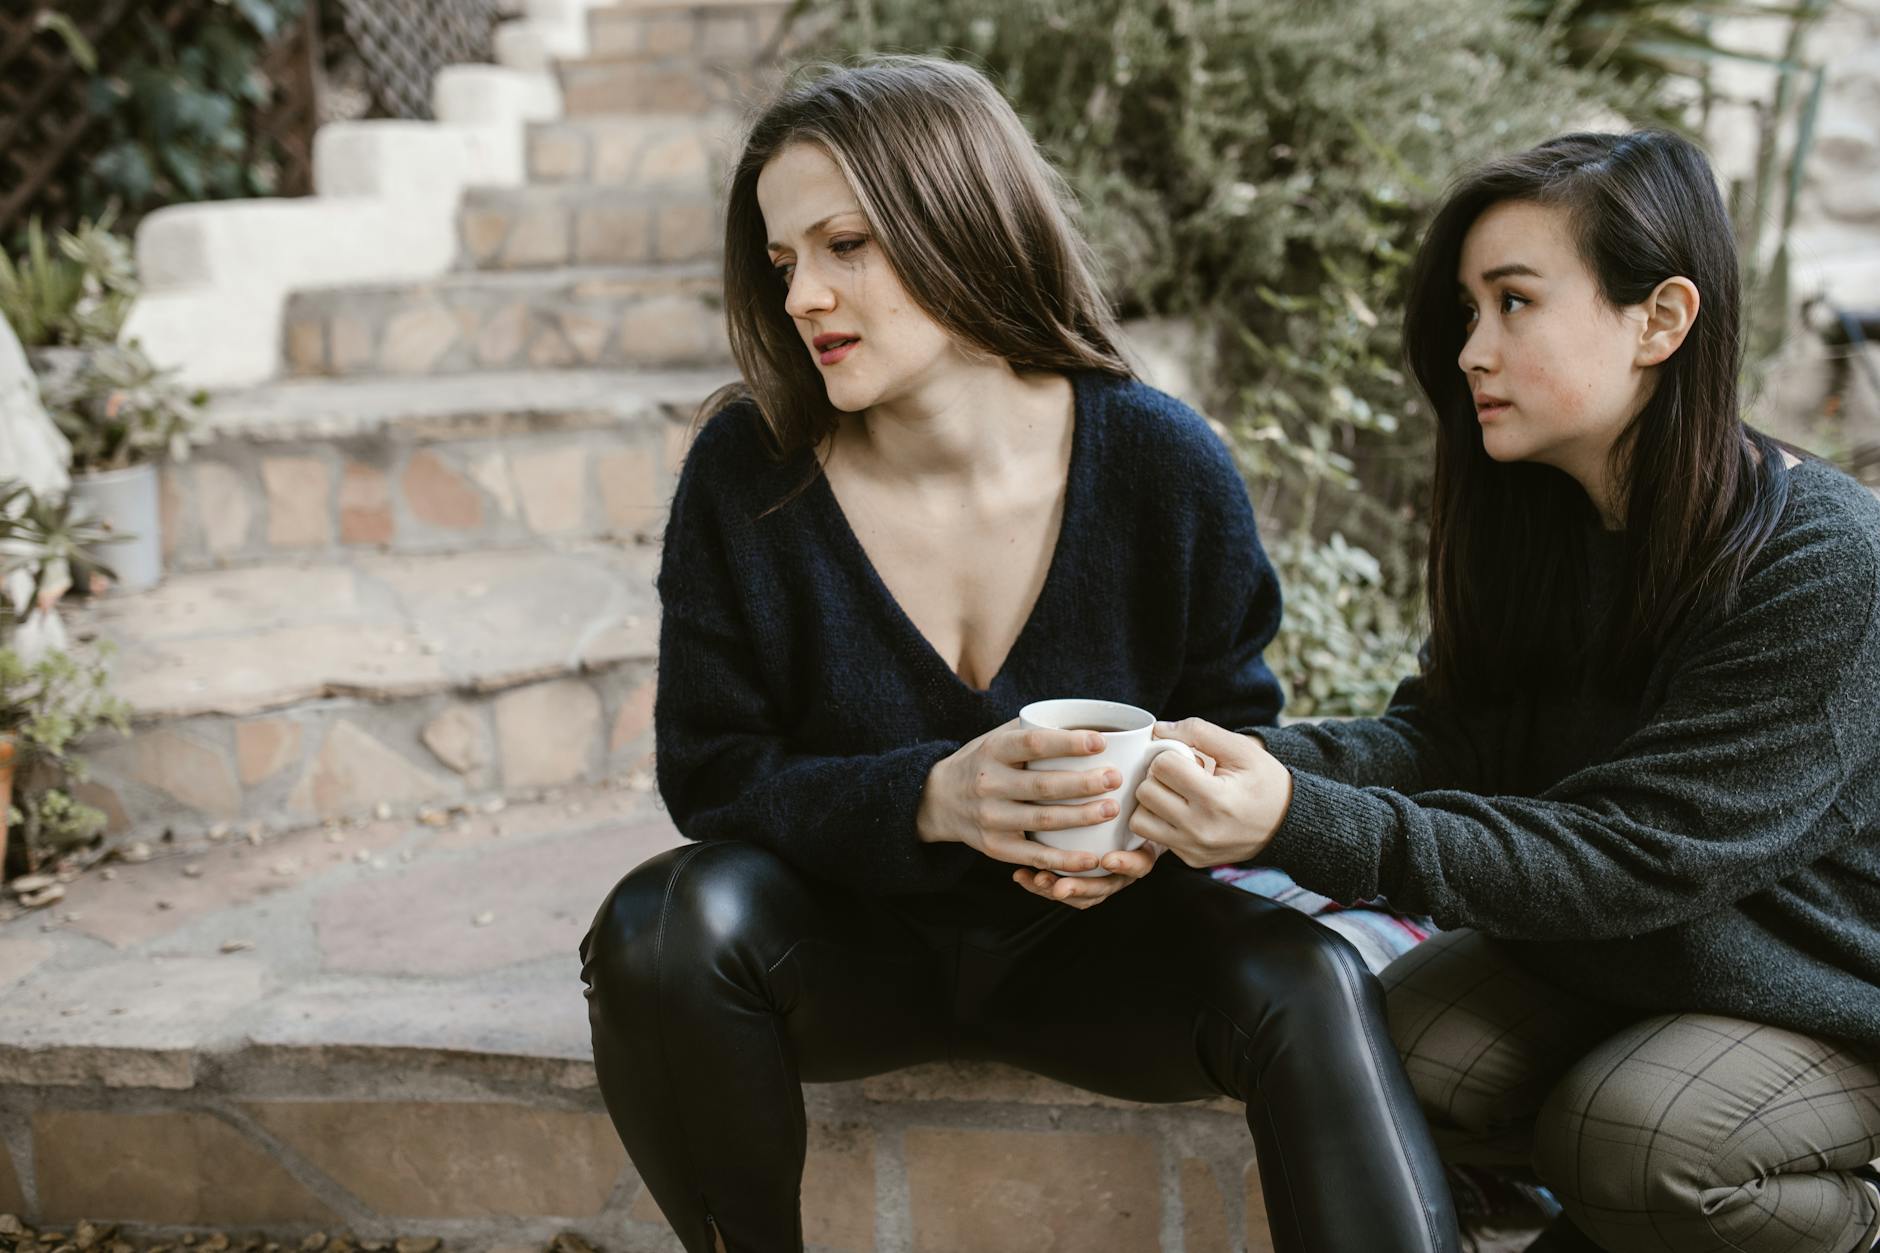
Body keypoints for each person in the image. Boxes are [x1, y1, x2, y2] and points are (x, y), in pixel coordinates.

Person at [577, 55, 1459, 1253]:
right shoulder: (750, 473)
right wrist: (929, 799)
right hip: (845, 947)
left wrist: (1150, 830)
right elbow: (715, 772)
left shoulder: (1161, 464)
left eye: (845, 247)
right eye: (783, 262)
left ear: (960, 222)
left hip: (1103, 952)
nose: (801, 298)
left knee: (1305, 978)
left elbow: (1229, 733)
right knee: (658, 924)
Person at [1123, 130, 1880, 1253]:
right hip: (1637, 951)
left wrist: (1295, 821)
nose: (1471, 347)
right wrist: (1229, 764)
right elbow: (1447, 737)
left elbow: (1638, 851)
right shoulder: (1544, 516)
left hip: (1824, 987)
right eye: (1467, 310)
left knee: (1633, 1137)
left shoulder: (1823, 562)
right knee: (1370, 1051)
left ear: (1660, 319)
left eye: (1513, 302)